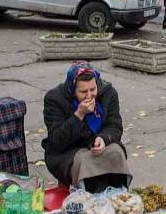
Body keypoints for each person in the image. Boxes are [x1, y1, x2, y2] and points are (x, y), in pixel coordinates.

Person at [42, 62, 130, 193]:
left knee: (116, 152)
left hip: (97, 143)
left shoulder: (108, 93)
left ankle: (119, 195)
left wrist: (104, 138)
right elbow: (57, 140)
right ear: (73, 89)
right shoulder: (54, 99)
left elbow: (114, 125)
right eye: (83, 91)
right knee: (85, 160)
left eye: (93, 89)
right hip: (68, 150)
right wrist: (79, 114)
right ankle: (86, 199)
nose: (89, 95)